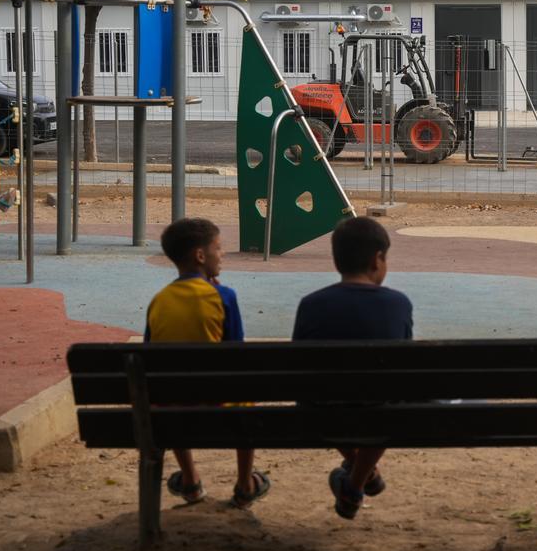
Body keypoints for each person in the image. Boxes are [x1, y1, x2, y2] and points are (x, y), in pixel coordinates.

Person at [292, 216, 413, 519]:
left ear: (337, 261)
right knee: (389, 400)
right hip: (381, 410)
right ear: (377, 260)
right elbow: (404, 370)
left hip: (322, 410)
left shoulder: (311, 304)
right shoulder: (398, 304)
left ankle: (358, 478)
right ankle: (358, 481)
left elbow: (298, 371)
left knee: (320, 399)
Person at [145, 217, 270, 509]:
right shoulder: (223, 297)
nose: (222, 254)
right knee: (245, 394)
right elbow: (235, 353)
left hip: (169, 412)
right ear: (200, 256)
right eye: (218, 248)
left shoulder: (159, 301)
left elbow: (150, 356)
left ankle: (190, 479)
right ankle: (244, 484)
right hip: (219, 410)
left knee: (170, 389)